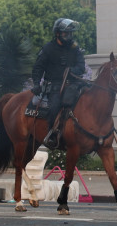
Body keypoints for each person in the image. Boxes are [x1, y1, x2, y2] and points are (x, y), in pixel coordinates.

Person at [32, 18, 86, 149]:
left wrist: (71, 70)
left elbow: (81, 67)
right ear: (57, 33)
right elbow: (38, 68)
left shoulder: (75, 48)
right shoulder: (48, 48)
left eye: (71, 33)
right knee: (54, 107)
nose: (69, 36)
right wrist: (36, 84)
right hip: (54, 87)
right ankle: (52, 135)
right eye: (66, 33)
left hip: (73, 84)